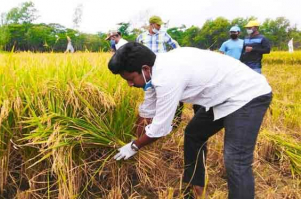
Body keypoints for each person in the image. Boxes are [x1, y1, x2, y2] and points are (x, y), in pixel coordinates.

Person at [109, 42, 272, 199]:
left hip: (247, 94)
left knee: (236, 160)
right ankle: (196, 190)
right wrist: (132, 138)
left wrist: (135, 146)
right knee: (194, 134)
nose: (130, 84)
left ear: (145, 69)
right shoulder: (153, 72)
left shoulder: (167, 77)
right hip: (220, 95)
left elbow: (160, 128)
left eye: (130, 78)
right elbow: (147, 112)